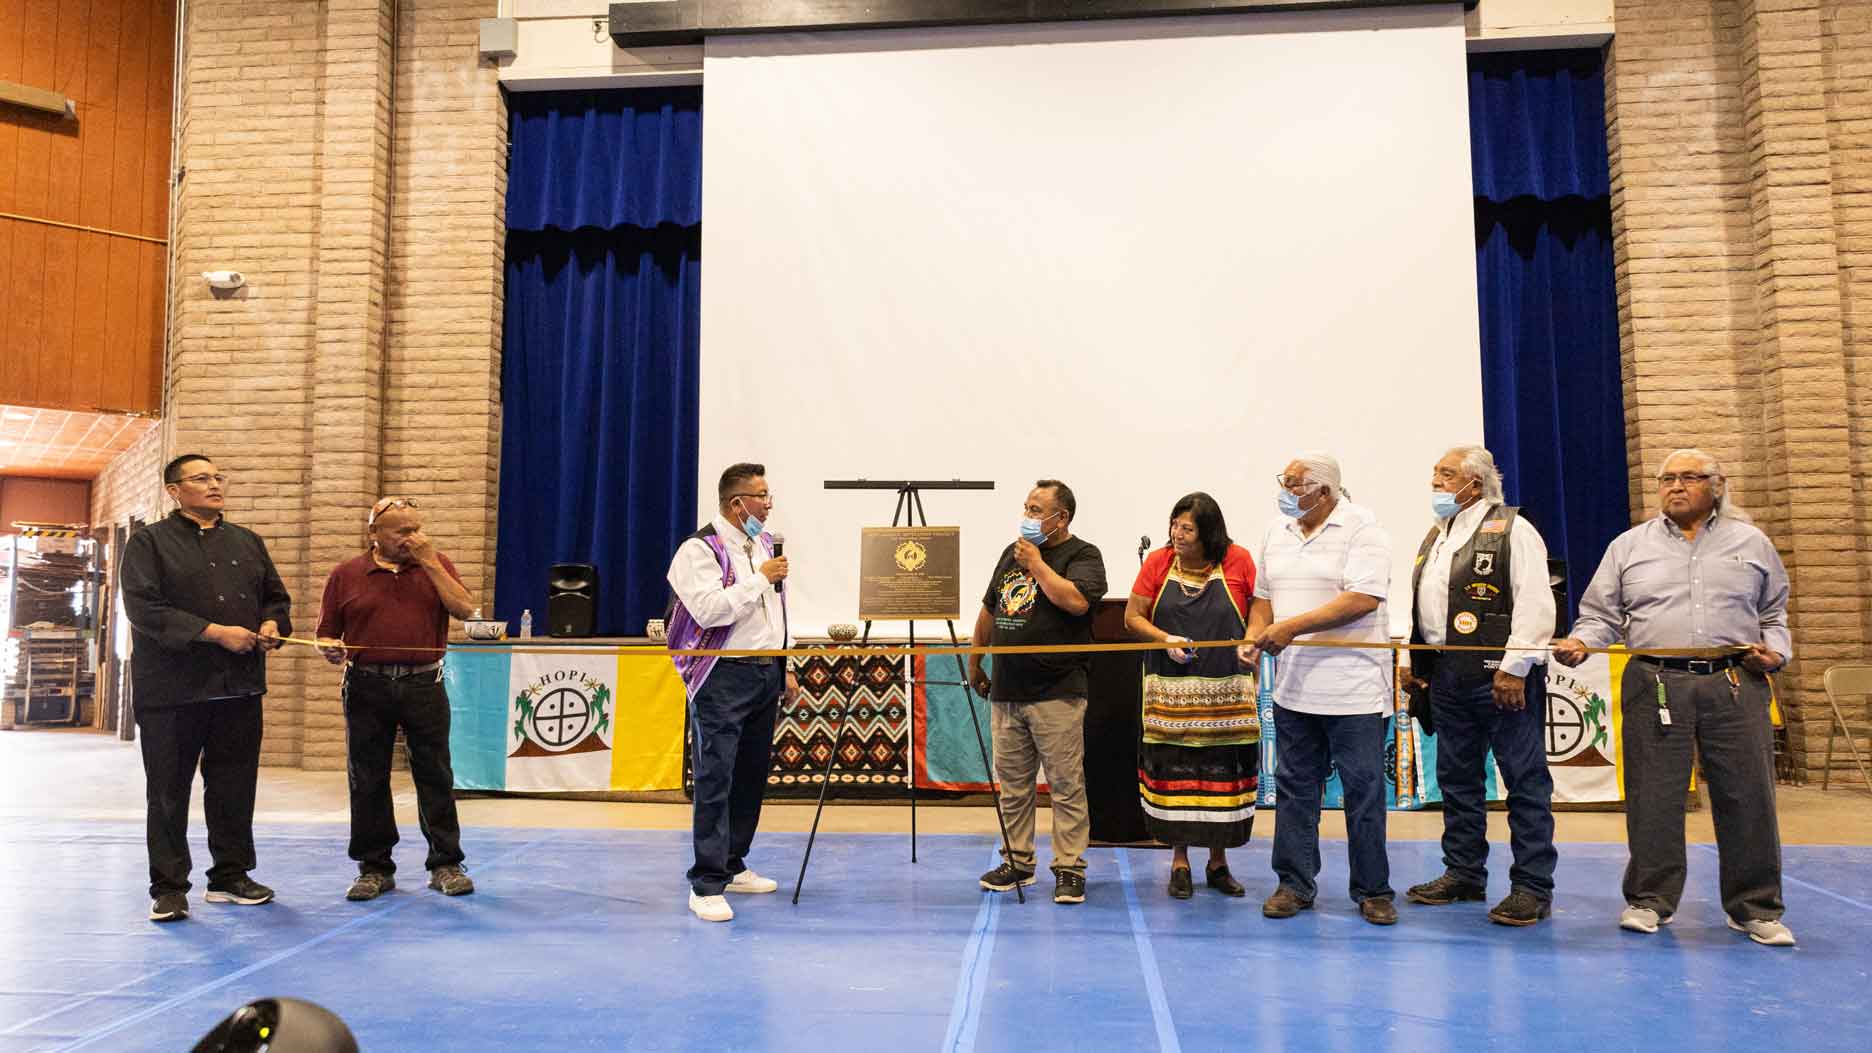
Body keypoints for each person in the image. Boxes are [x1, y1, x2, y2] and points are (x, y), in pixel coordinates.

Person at [1552, 448, 1794, 946]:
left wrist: (1777, 653)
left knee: (1748, 797)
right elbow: (1601, 616)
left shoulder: (1752, 543)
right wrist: (1581, 642)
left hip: (1735, 680)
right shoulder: (1628, 546)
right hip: (1655, 681)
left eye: (1689, 477)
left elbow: (1774, 614)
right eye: (1667, 479)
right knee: (1653, 796)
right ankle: (1649, 901)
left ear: (1717, 485)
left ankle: (1755, 908)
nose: (1676, 486)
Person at [119, 454, 291, 923]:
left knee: (234, 786)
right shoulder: (148, 543)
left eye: (218, 477)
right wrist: (215, 633)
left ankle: (231, 876)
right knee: (168, 792)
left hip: (239, 687)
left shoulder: (247, 541)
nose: (215, 484)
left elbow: (276, 598)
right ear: (174, 491)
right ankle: (169, 888)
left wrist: (272, 623)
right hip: (171, 692)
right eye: (201, 478)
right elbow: (144, 609)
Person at [1402, 445, 1558, 926]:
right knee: (1458, 779)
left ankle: (1532, 886)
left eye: (1446, 474)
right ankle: (1464, 872)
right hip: (1446, 675)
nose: (1436, 482)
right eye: (1434, 473)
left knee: (1524, 780)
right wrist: (1415, 660)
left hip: (1501, 676)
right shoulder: (1437, 534)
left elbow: (1535, 602)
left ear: (1475, 482)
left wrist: (1516, 667)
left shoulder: (1514, 529)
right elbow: (1425, 604)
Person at [1239, 453, 1397, 925]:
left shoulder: (1363, 528)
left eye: (1295, 484)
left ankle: (1372, 890)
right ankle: (1293, 884)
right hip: (1293, 691)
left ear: (1324, 491)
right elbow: (1263, 599)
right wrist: (1254, 635)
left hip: (1355, 692)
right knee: (1294, 792)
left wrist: (1290, 628)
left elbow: (1362, 599)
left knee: (1363, 794)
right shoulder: (1276, 531)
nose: (1285, 491)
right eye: (1284, 481)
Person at [315, 497, 478, 902]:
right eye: (402, 531)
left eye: (417, 529)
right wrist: (329, 647)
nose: (412, 537)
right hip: (365, 684)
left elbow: (465, 610)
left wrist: (431, 562)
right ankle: (374, 868)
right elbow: (326, 633)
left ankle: (445, 863)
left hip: (424, 684)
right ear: (374, 533)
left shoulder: (436, 563)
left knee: (435, 774)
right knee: (367, 776)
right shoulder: (346, 574)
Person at [665, 463, 800, 923]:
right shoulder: (699, 550)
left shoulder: (761, 544)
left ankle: (732, 862)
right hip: (721, 675)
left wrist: (785, 664)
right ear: (736, 503)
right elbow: (709, 612)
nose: (768, 504)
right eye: (762, 496)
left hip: (764, 671)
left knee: (750, 775)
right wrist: (760, 578)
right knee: (715, 776)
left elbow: (776, 610)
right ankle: (705, 883)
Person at [968, 480, 1108, 905]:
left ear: (1060, 518)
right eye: (1026, 507)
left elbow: (1076, 602)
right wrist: (975, 661)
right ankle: (1017, 860)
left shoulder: (1084, 556)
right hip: (1008, 689)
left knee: (1065, 785)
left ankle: (1069, 867)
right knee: (1013, 785)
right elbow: (990, 610)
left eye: (1036, 510)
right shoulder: (1009, 554)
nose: (1027, 516)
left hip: (1057, 691)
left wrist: (1037, 564)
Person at [1124, 492, 1259, 899]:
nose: (1177, 534)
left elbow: (1260, 610)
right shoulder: (1158, 562)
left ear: (1209, 533)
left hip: (1225, 697)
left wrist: (1250, 640)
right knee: (1176, 774)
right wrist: (1164, 638)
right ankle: (1179, 861)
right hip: (1170, 696)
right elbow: (1132, 617)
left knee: (1221, 773)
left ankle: (1218, 863)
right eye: (1174, 525)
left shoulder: (1239, 561)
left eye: (1187, 528)